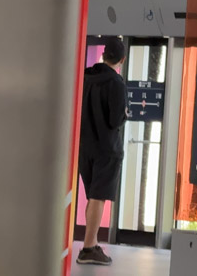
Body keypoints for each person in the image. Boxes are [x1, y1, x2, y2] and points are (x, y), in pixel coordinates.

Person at [77, 37, 128, 266]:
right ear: (122, 60)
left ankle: (92, 241)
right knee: (98, 197)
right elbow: (115, 119)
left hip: (84, 147)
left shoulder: (86, 77)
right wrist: (125, 113)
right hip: (106, 149)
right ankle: (88, 248)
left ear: (103, 55)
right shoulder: (116, 83)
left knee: (93, 196)